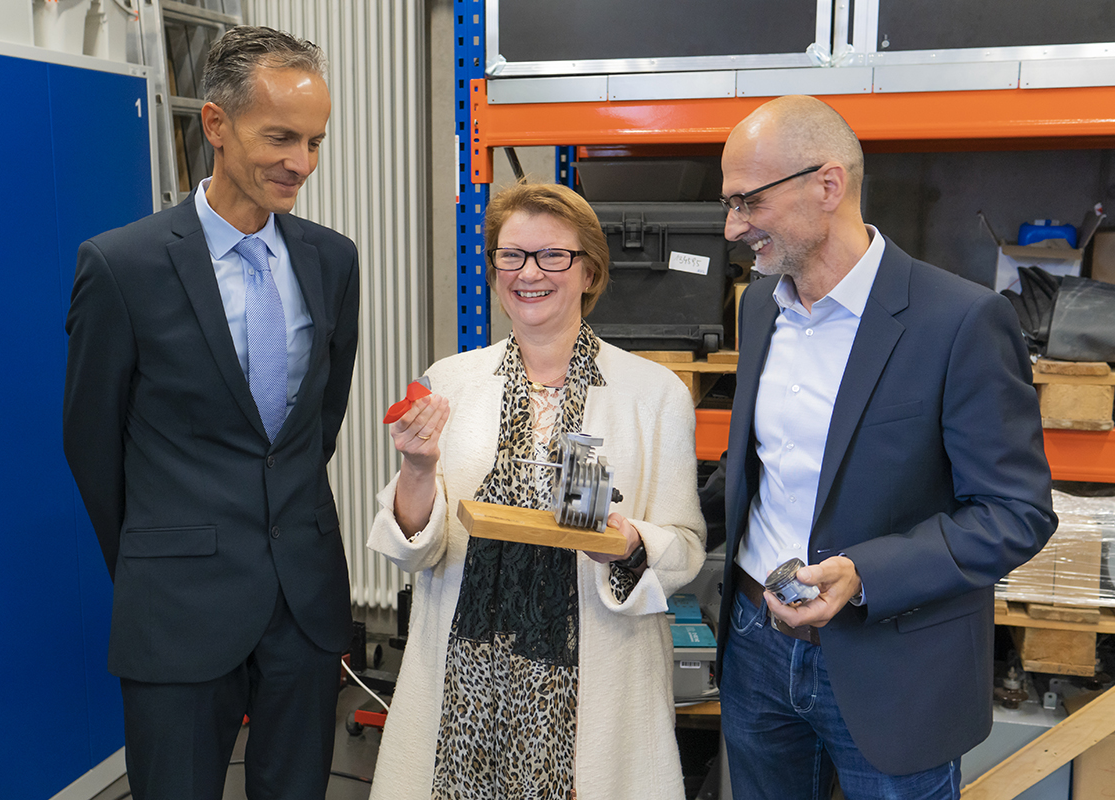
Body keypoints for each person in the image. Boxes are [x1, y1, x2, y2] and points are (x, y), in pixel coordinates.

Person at [702, 94, 1056, 799]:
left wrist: (865, 572)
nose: (732, 226)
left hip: (894, 661)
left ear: (827, 185)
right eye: (728, 203)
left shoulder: (959, 321)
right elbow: (763, 472)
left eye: (749, 202)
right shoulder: (759, 309)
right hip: (758, 646)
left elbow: (1017, 512)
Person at [63, 26, 358, 800]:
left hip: (305, 600)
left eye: (316, 141)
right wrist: (159, 556)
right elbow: (90, 444)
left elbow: (315, 425)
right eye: (282, 138)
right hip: (177, 607)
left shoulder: (333, 259)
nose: (303, 163)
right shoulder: (121, 266)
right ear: (217, 125)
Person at [367, 182, 705, 799]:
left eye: (553, 256)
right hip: (467, 672)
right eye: (511, 255)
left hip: (589, 678)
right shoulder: (452, 381)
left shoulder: (654, 395)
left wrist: (629, 543)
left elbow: (684, 549)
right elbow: (414, 549)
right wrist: (417, 468)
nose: (529, 273)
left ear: (589, 272)